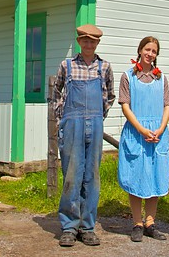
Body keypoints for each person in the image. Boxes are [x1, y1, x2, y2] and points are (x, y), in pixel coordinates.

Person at [51, 24, 115, 247]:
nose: (89, 44)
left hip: (95, 124)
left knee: (92, 177)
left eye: (93, 41)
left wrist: (98, 118)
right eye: (85, 40)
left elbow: (109, 96)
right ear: (79, 42)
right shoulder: (66, 66)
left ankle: (87, 227)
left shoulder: (104, 67)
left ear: (97, 43)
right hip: (72, 124)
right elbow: (56, 94)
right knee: (72, 175)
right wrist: (64, 120)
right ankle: (69, 226)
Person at [117, 36, 169, 242]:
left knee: (155, 177)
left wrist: (160, 128)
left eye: (154, 51)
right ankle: (137, 223)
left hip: (157, 133)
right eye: (147, 50)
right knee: (136, 176)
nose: (150, 54)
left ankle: (150, 222)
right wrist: (140, 128)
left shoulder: (161, 78)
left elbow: (167, 105)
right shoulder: (128, 76)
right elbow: (125, 105)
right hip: (136, 132)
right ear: (140, 50)